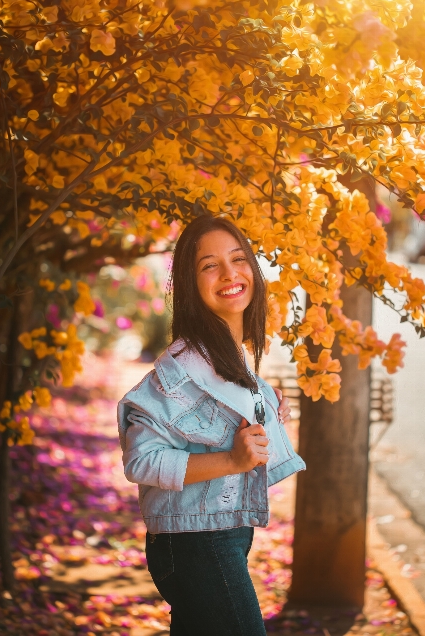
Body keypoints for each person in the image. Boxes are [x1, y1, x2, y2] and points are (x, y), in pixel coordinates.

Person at [117, 215, 306, 636]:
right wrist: (232, 459)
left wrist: (267, 408)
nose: (229, 274)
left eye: (238, 259)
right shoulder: (180, 372)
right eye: (209, 265)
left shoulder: (228, 360)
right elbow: (141, 461)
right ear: (189, 282)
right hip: (197, 543)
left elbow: (216, 419)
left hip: (221, 535)